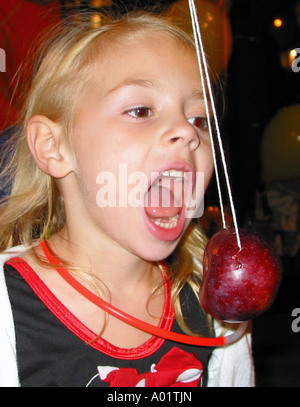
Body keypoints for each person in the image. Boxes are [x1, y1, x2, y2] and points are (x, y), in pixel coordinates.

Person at [0, 11, 254, 387]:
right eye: (140, 110)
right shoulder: (8, 309)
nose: (187, 132)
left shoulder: (217, 308)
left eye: (200, 119)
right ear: (53, 147)